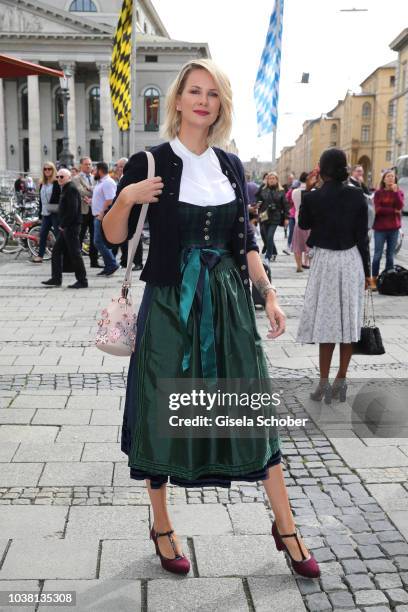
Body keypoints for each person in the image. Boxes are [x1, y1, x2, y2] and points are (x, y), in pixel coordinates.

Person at [101, 58, 320, 579]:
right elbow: (111, 238)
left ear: (221, 104)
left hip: (227, 305)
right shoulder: (149, 162)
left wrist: (268, 293)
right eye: (194, 91)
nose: (203, 100)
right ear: (176, 100)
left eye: (213, 93)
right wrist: (128, 197)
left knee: (253, 409)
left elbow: (243, 242)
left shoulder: (229, 166)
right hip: (169, 305)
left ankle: (285, 526)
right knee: (161, 407)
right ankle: (161, 523)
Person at [297, 148, 370, 402]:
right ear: (344, 168)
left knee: (327, 325)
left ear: (322, 169)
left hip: (326, 262)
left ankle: (324, 384)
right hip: (351, 260)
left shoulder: (313, 197)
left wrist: (308, 190)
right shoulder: (357, 195)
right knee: (348, 324)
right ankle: (341, 380)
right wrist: (369, 273)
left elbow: (303, 225)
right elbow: (363, 237)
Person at [42, 168, 88, 289]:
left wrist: (63, 225)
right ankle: (56, 278)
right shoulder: (66, 188)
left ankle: (82, 280)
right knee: (56, 251)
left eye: (62, 177)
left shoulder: (71, 189)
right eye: (57, 177)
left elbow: (73, 210)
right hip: (67, 227)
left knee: (75, 253)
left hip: (71, 227)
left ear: (69, 177)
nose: (59, 179)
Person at [371, 169, 404, 290]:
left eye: (392, 176)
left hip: (394, 228)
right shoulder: (378, 193)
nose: (390, 178)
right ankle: (373, 280)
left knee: (390, 256)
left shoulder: (399, 192)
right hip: (380, 228)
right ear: (384, 179)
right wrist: (393, 211)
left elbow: (400, 206)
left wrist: (395, 193)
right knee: (377, 255)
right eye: (388, 176)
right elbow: (378, 210)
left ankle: (388, 280)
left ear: (395, 179)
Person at [92, 162, 119, 276]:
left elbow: (110, 200)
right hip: (98, 216)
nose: (93, 172)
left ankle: (112, 264)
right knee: (99, 242)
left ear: (100, 170)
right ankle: (109, 265)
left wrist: (102, 213)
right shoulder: (101, 182)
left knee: (98, 242)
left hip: (102, 217)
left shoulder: (108, 182)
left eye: (95, 170)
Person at [31, 162, 61, 264]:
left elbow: (58, 197)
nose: (47, 171)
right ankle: (40, 256)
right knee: (42, 234)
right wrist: (39, 214)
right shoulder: (42, 183)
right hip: (45, 213)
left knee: (58, 234)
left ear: (53, 170)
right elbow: (41, 200)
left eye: (49, 169)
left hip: (54, 212)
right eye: (45, 169)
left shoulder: (56, 182)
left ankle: (61, 256)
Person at [74, 157, 100, 268]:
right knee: (80, 236)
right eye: (86, 164)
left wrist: (91, 190)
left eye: (90, 164)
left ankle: (94, 262)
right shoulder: (76, 178)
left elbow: (99, 191)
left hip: (94, 211)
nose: (88, 166)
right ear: (81, 166)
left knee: (94, 237)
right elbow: (81, 191)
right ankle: (77, 263)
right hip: (82, 211)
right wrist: (92, 190)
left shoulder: (95, 178)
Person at [256, 172, 288, 263]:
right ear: (267, 180)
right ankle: (274, 252)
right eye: (270, 178)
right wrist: (257, 204)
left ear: (277, 180)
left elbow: (285, 205)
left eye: (274, 178)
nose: (272, 180)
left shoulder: (281, 191)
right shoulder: (262, 189)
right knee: (265, 236)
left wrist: (286, 218)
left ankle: (268, 256)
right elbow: (257, 199)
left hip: (275, 216)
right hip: (264, 216)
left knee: (270, 236)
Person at [291, 172, 311, 272]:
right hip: (311, 222)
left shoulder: (295, 191)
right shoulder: (313, 191)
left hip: (298, 220)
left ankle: (299, 266)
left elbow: (294, 205)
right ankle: (306, 262)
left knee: (297, 245)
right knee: (310, 245)